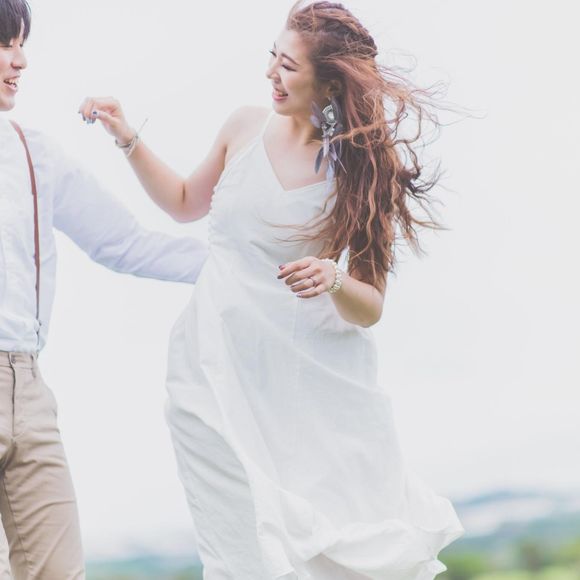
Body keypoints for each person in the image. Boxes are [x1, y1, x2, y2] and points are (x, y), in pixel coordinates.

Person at [81, 1, 464, 578]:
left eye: (288, 66)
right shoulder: (243, 126)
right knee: (240, 545)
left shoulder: (362, 170)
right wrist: (127, 137)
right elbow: (184, 202)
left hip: (311, 382)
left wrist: (335, 277)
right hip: (216, 364)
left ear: (329, 83)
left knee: (334, 549)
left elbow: (369, 308)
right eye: (272, 57)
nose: (270, 73)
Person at [0, 0, 208, 578]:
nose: (20, 62)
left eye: (21, 46)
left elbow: (126, 244)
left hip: (29, 391)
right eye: (5, 46)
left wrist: (244, 266)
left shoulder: (35, 154)